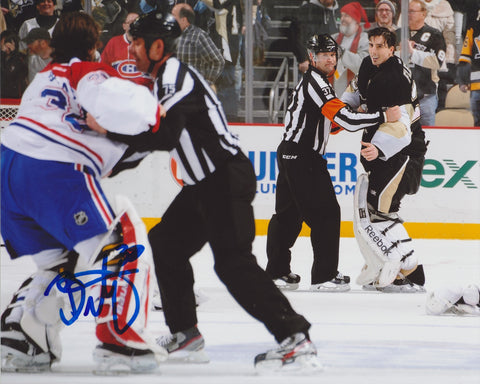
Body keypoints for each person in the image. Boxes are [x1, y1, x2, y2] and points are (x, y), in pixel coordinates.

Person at [90, 11, 322, 372]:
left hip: (225, 178)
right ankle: (186, 334)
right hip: (206, 184)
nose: (130, 49)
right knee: (166, 243)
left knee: (233, 263)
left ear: (156, 46)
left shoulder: (174, 76)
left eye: (137, 43)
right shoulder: (161, 80)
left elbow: (163, 138)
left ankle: (295, 338)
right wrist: (101, 162)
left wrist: (106, 138)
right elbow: (150, 141)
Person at [0, 11, 166, 373]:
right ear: (95, 45)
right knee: (122, 238)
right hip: (51, 170)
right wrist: (154, 111)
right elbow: (127, 109)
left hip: (7, 169)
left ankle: (24, 333)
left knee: (63, 261)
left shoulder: (42, 77)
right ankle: (119, 340)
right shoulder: (86, 72)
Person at [265, 33, 401, 293]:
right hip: (304, 157)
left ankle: (276, 272)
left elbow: (332, 122)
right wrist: (382, 114)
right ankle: (324, 276)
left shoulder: (316, 83)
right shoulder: (317, 83)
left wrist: (356, 114)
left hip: (290, 154)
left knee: (287, 217)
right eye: (323, 54)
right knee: (326, 214)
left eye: (332, 54)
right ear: (312, 57)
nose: (330, 59)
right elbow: (346, 122)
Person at [341, 27, 428, 292]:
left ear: (392, 49)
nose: (375, 51)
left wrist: (379, 149)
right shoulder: (369, 64)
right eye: (371, 45)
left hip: (403, 153)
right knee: (376, 209)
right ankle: (402, 268)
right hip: (383, 152)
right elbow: (356, 91)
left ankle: (411, 271)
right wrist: (342, 108)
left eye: (380, 46)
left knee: (382, 213)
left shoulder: (395, 79)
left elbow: (402, 124)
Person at [397, 0, 446, 127]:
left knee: (427, 135)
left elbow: (437, 62)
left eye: (412, 11)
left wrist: (413, 53)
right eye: (407, 11)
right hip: (401, 98)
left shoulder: (435, 35)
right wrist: (401, 53)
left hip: (425, 96)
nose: (408, 14)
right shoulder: (398, 33)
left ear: (423, 14)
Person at [172, 2, 225, 87]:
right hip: (174, 86)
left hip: (193, 89)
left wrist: (205, 83)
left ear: (183, 20)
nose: (171, 18)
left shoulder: (198, 36)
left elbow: (218, 61)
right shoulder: (170, 35)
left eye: (174, 16)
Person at [100, 11, 153, 88]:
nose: (133, 26)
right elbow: (102, 69)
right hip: (119, 93)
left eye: (136, 23)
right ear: (124, 26)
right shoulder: (114, 43)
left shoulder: (150, 43)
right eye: (131, 23)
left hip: (143, 93)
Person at [289, 0, 340, 73]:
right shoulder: (306, 10)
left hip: (335, 66)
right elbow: (296, 35)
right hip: (312, 64)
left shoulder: (341, 11)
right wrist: (303, 58)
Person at [332, 1, 370, 95]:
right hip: (333, 90)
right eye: (342, 15)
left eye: (347, 16)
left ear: (356, 20)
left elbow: (363, 65)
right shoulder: (334, 38)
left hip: (354, 92)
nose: (342, 19)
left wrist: (343, 53)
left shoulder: (365, 40)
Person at [457, 17, 480, 127]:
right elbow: (465, 57)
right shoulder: (473, 28)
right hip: (477, 86)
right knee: (477, 124)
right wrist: (462, 81)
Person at [0, 28, 28, 97]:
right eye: (5, 41)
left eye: (9, 41)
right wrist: (2, 53)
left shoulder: (20, 59)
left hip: (15, 99)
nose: (7, 45)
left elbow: (17, 75)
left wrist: (14, 55)